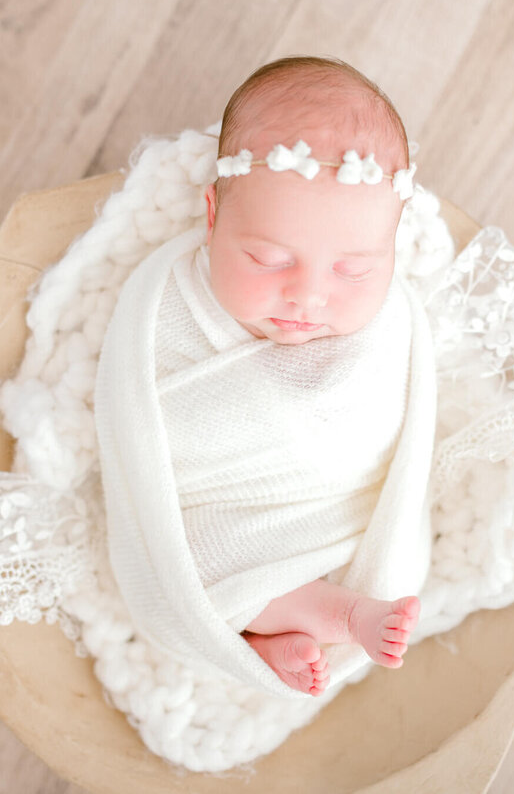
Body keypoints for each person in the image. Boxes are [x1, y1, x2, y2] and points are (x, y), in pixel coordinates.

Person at [98, 56, 431, 697]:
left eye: (354, 270)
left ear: (392, 247)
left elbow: (398, 431)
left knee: (346, 562)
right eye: (269, 258)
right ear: (213, 215)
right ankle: (308, 620)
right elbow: (134, 423)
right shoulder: (165, 303)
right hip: (217, 511)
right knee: (189, 561)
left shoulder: (392, 321)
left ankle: (302, 619)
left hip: (335, 519)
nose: (307, 298)